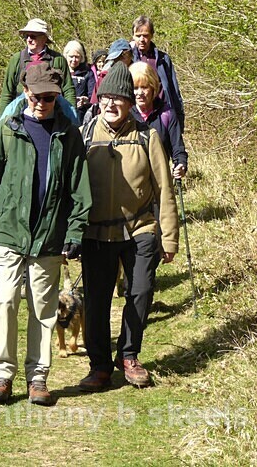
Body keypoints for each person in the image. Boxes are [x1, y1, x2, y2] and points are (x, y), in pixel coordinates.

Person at [0, 63, 91, 406]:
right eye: (37, 96)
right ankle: (2, 375)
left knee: (44, 309)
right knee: (4, 301)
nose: (42, 102)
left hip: (49, 237)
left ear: (56, 97)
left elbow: (79, 189)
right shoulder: (7, 130)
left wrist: (75, 230)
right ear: (26, 92)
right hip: (7, 232)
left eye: (49, 97)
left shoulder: (69, 134)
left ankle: (38, 378)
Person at [77, 61, 179, 392]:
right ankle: (100, 367)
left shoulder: (147, 136)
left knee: (140, 292)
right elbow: (70, 187)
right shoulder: (86, 134)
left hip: (140, 229)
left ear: (129, 103)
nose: (111, 104)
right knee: (96, 301)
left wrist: (170, 237)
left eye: (118, 99)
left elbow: (164, 188)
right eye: (105, 98)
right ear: (99, 99)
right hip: (95, 234)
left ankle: (129, 356)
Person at [0, 18, 76, 115]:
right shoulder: (17, 59)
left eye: (33, 36)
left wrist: (72, 115)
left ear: (44, 38)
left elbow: (68, 90)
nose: (29, 39)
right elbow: (7, 93)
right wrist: (3, 119)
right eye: (27, 36)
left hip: (51, 107)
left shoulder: (58, 59)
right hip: (22, 108)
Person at [129, 61, 188, 179]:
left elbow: (178, 149)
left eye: (144, 87)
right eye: (135, 88)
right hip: (132, 184)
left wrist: (181, 165)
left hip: (160, 181)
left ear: (153, 88)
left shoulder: (167, 114)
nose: (140, 93)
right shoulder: (126, 115)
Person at [130, 16, 186, 131]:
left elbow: (174, 91)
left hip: (162, 115)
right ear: (133, 36)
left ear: (151, 35)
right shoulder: (128, 58)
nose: (141, 39)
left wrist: (179, 120)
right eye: (138, 35)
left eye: (145, 35)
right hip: (136, 116)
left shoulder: (163, 59)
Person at [63, 40, 93, 123]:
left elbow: (93, 94)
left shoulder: (88, 73)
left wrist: (86, 100)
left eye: (77, 57)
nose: (74, 60)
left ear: (81, 57)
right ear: (66, 56)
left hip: (81, 114)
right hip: (63, 111)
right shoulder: (61, 71)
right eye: (71, 56)